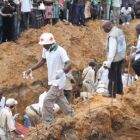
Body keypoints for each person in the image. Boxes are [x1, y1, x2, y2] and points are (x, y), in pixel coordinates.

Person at [24, 32, 74, 126]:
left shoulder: (60, 50)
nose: (43, 47)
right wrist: (31, 69)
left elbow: (69, 64)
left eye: (45, 45)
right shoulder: (46, 50)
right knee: (60, 99)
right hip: (52, 80)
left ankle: (48, 122)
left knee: (47, 100)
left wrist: (63, 71)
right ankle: (71, 115)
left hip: (59, 81)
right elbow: (42, 61)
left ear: (50, 43)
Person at [102, 21, 126, 98]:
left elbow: (112, 49)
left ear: (108, 27)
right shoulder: (119, 31)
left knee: (112, 76)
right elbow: (124, 43)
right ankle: (119, 90)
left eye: (104, 28)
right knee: (118, 74)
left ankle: (111, 93)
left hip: (115, 59)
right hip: (121, 56)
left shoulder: (112, 36)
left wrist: (109, 61)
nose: (104, 30)